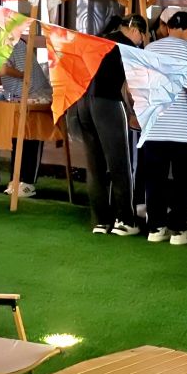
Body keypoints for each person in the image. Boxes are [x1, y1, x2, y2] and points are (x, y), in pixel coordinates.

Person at [69, 14, 146, 236]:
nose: (141, 41)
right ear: (135, 30)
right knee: (120, 163)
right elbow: (132, 86)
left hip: (82, 104)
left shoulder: (99, 39)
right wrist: (134, 112)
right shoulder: (127, 46)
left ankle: (101, 221)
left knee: (95, 166)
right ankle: (125, 220)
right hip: (107, 103)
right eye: (142, 36)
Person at [141, 10, 187, 245]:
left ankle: (155, 228)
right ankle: (179, 229)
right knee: (183, 179)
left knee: (154, 178)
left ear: (168, 28)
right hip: (183, 128)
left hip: (154, 125)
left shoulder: (149, 49)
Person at [0, 37, 51, 198]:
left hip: (35, 95)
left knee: (28, 135)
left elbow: (15, 72)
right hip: (14, 97)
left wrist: (0, 71)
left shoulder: (14, 43)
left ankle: (25, 182)